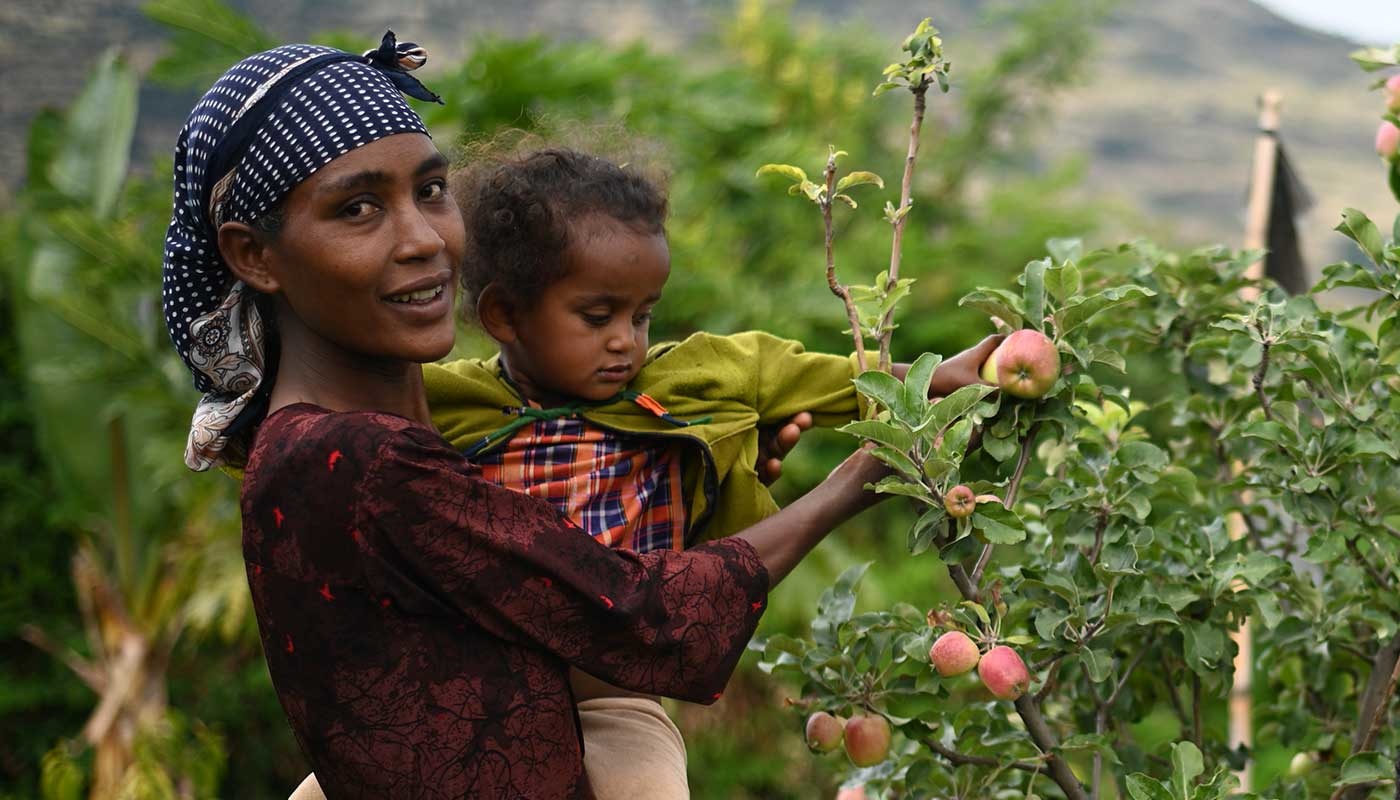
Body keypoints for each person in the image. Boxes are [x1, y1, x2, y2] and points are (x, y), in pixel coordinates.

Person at [164, 34, 902, 799]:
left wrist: (686, 478)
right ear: (255, 256)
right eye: (357, 209)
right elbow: (642, 615)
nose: (423, 240)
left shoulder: (371, 444)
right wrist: (861, 476)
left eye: (431, 190)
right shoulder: (359, 460)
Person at [409, 145, 1000, 798]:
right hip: (466, 689)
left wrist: (936, 377)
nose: (624, 341)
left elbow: (812, 376)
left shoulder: (688, 378)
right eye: (597, 317)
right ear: (504, 316)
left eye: (642, 316)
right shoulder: (444, 402)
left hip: (613, 698)